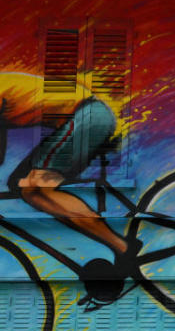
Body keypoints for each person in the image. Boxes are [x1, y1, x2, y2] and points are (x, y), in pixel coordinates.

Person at [0, 72, 133, 268]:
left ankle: (124, 248)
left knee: (35, 189)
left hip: (89, 116)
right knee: (17, 184)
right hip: (86, 116)